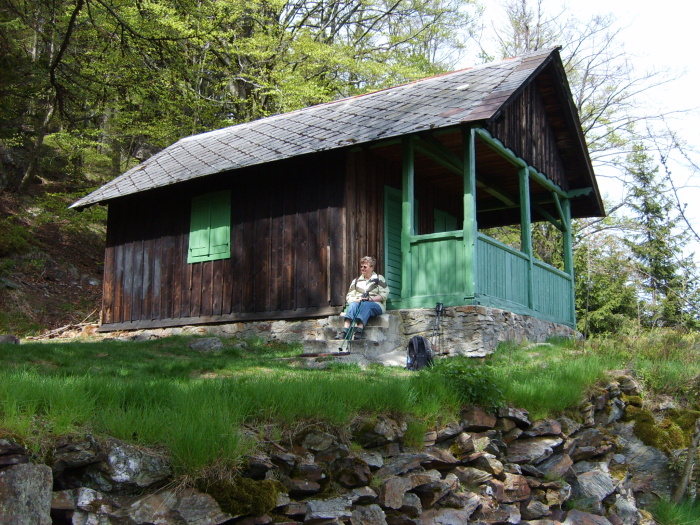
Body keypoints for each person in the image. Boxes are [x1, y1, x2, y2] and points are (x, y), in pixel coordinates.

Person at [335, 256, 390, 340]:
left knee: (366, 305)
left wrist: (371, 299)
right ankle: (345, 331)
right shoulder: (356, 281)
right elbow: (349, 296)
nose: (362, 269)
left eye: (365, 267)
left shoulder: (379, 278)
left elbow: (384, 294)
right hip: (358, 303)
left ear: (372, 268)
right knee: (353, 305)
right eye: (361, 266)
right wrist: (356, 300)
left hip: (376, 304)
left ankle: (359, 331)